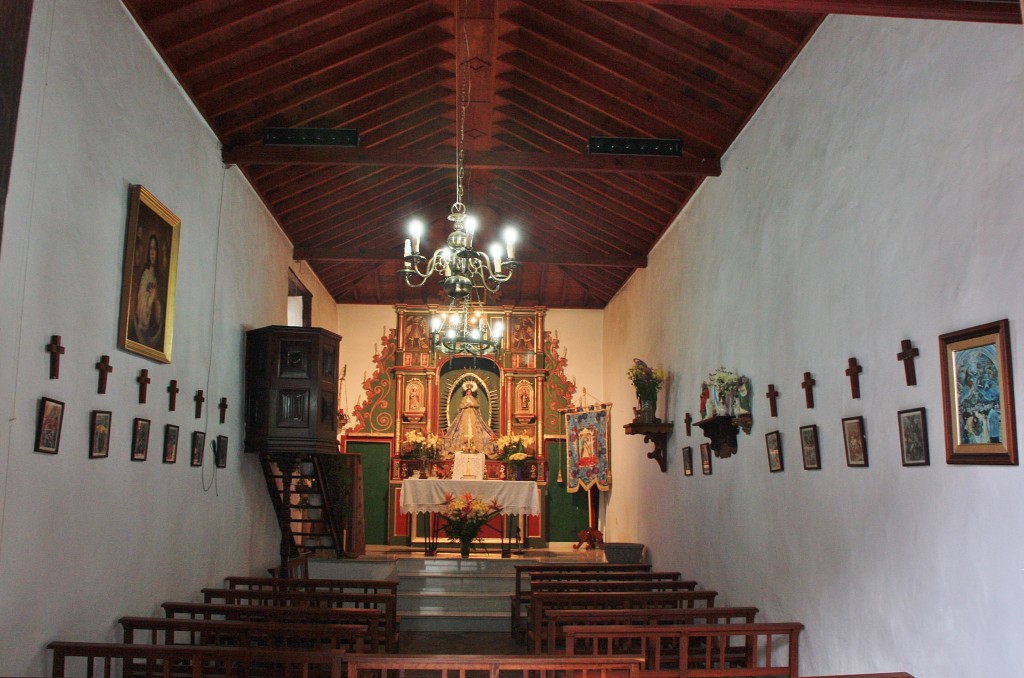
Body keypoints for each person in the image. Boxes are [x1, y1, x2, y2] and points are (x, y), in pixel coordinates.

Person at [442, 381, 497, 458]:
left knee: (474, 428)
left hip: (473, 414)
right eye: (468, 391)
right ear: (466, 392)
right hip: (464, 414)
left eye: (470, 391)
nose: (469, 393)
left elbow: (477, 405)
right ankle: (462, 446)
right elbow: (461, 406)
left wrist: (471, 405)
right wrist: (466, 405)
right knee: (462, 428)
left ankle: (475, 445)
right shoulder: (464, 398)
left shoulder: (473, 398)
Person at [133, 234, 164, 348]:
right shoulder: (146, 275)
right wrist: (150, 298)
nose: (152, 253)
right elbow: (141, 301)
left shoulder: (157, 278)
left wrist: (156, 300)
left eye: (154, 249)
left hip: (152, 330)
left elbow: (159, 318)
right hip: (144, 326)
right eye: (150, 249)